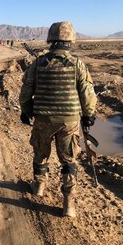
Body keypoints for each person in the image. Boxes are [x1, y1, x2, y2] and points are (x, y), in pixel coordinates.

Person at [19, 21, 97, 217]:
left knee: (40, 153)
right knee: (68, 161)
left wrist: (26, 110)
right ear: (70, 40)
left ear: (51, 40)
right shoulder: (78, 64)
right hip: (68, 122)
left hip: (43, 119)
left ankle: (39, 186)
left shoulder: (38, 63)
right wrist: (89, 115)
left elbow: (26, 90)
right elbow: (87, 92)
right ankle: (68, 204)